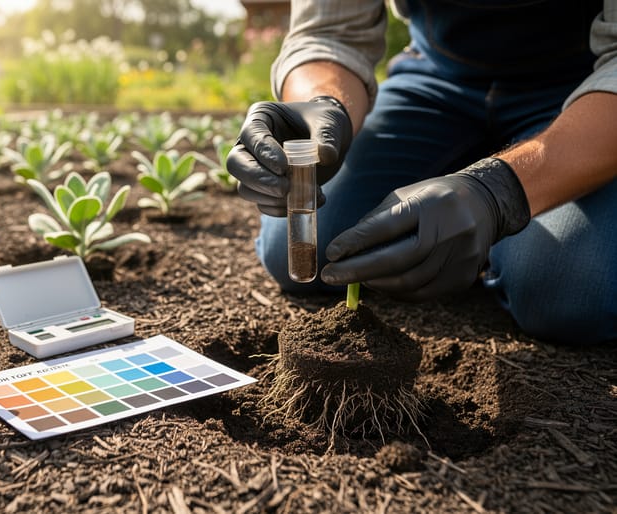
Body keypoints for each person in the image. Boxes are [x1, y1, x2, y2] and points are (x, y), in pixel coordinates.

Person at [227, 1, 617, 344]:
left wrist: (499, 193)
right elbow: (330, 33)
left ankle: (503, 239)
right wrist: (325, 105)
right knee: (304, 251)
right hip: (436, 82)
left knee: (567, 287)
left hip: (585, 94)